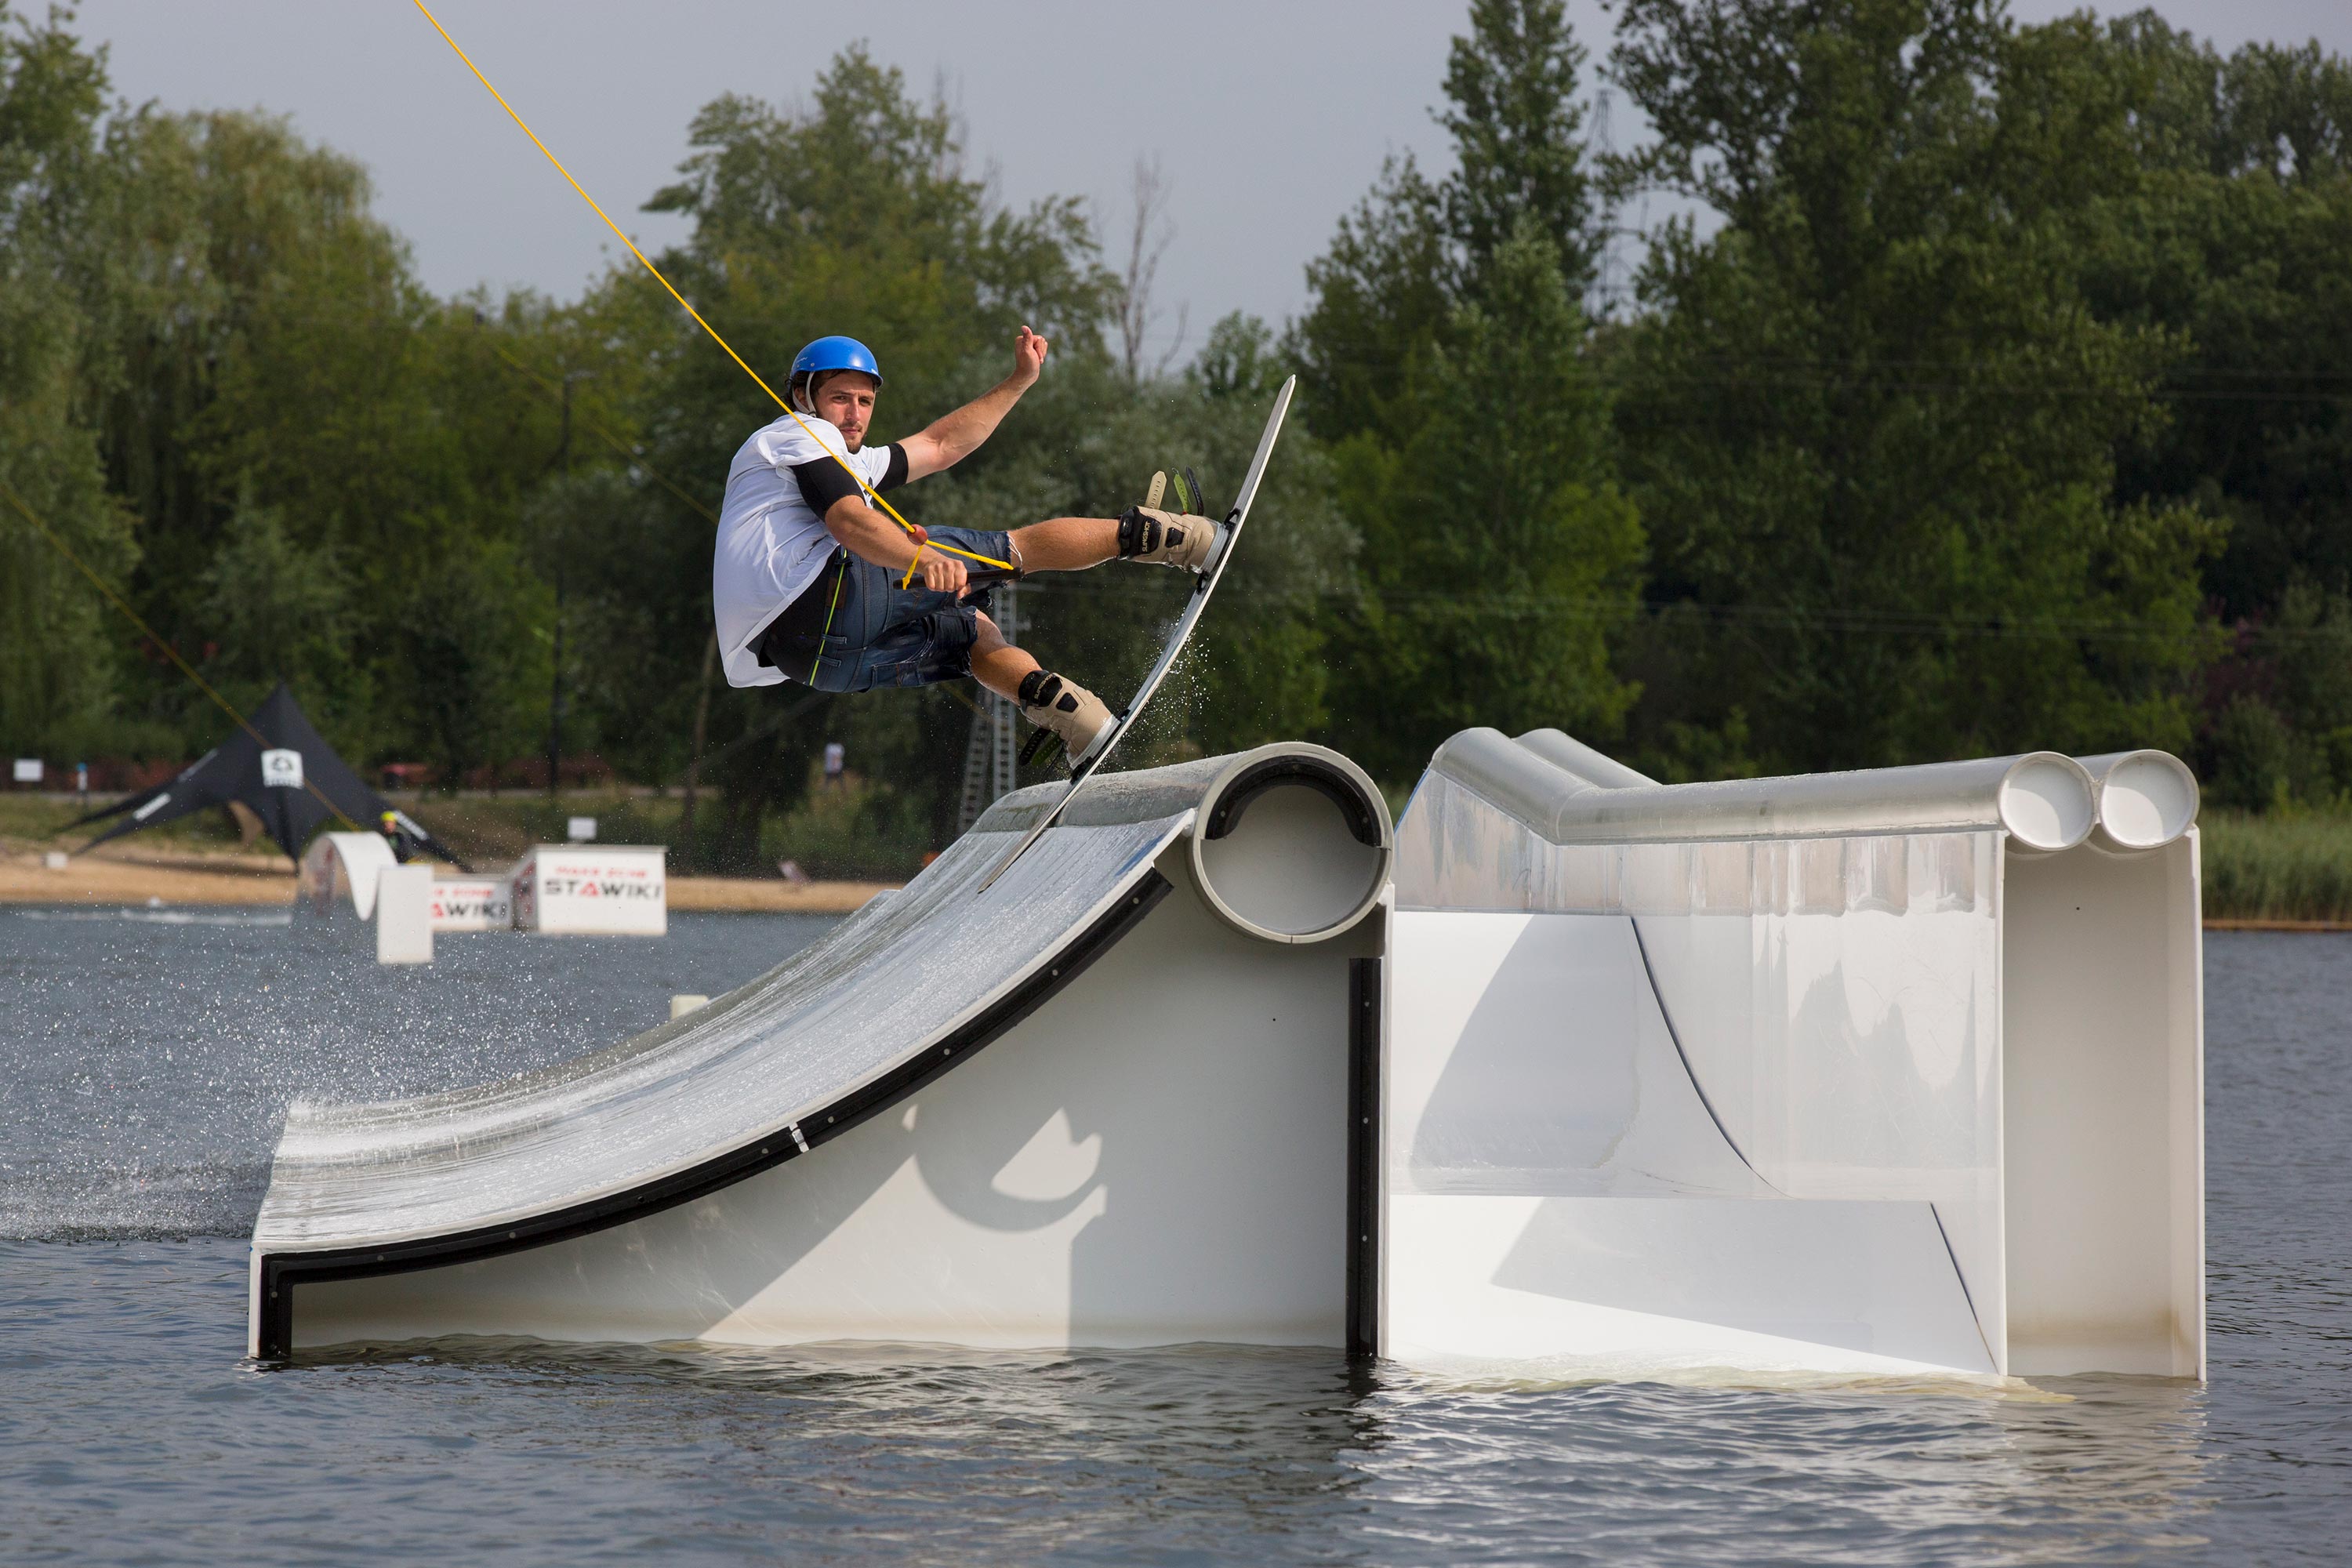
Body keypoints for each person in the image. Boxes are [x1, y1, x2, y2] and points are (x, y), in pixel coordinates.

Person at [712, 329, 1220, 764]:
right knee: (1011, 551)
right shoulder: (799, 433)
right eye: (840, 397)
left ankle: (1075, 718)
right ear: (803, 396)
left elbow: (940, 444)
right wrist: (921, 556)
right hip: (823, 595)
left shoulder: (851, 461)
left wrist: (1019, 381)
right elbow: (846, 519)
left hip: (813, 663)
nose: (854, 414)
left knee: (970, 630)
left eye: (865, 401)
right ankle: (1183, 539)